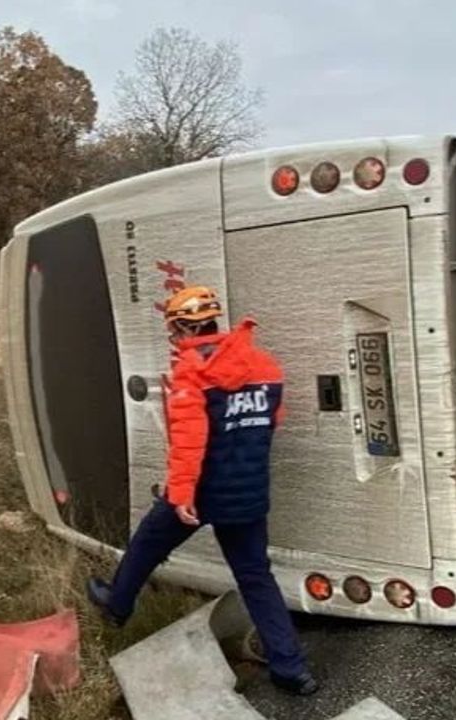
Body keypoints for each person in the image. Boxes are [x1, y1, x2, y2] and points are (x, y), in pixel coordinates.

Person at [86, 286, 318, 696]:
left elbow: (188, 443)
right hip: (248, 493)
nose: (172, 338)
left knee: (147, 543)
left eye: (172, 330)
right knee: (255, 577)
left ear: (181, 327)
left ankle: (117, 604)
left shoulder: (191, 373)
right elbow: (272, 421)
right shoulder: (265, 365)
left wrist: (181, 495)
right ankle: (291, 668)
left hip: (202, 491)